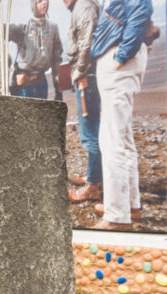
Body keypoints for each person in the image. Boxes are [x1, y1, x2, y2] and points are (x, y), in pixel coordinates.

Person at [90, 0, 153, 229]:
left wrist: (122, 55)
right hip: (120, 58)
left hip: (119, 59)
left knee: (112, 139)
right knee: (122, 137)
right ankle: (129, 205)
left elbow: (140, 9)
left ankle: (117, 215)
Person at [0, 0, 63, 99]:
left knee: (41, 114)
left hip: (42, 83)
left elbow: (57, 59)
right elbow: (10, 29)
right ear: (33, 5)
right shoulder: (24, 29)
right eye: (39, 1)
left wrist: (58, 88)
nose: (44, 3)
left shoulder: (53, 28)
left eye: (46, 0)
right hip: (25, 85)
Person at [64, 0, 102, 203]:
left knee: (90, 132)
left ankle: (93, 186)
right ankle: (96, 176)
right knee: (93, 130)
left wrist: (79, 70)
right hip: (87, 76)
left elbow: (86, 43)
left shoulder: (84, 7)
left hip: (86, 78)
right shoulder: (80, 7)